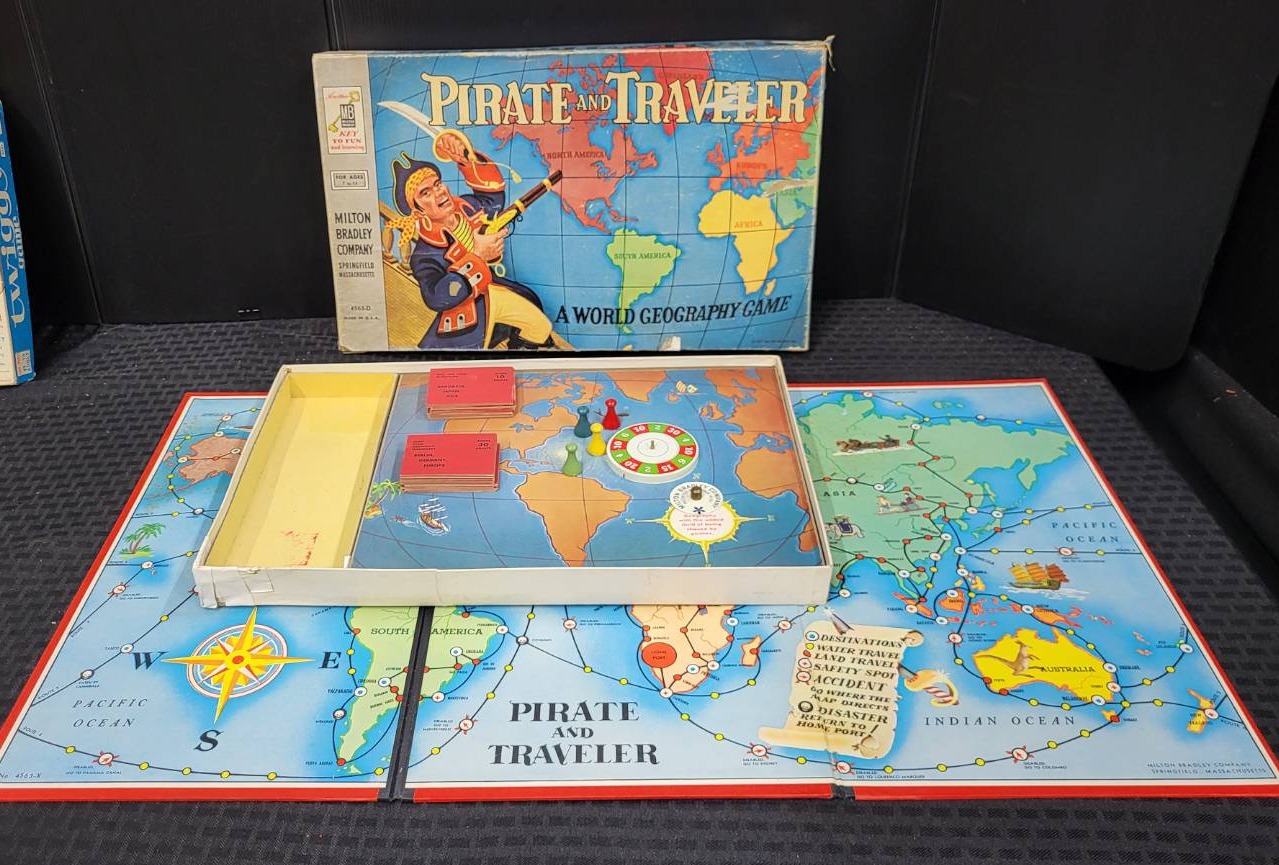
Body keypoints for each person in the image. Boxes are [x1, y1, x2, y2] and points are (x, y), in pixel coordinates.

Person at [386, 132, 556, 349]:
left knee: (539, 326)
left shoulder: (468, 207)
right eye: (426, 193)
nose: (439, 193)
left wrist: (466, 160)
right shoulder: (424, 254)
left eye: (437, 184)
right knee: (536, 327)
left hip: (493, 292)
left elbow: (493, 198)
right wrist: (478, 256)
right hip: (467, 317)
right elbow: (437, 297)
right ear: (418, 211)